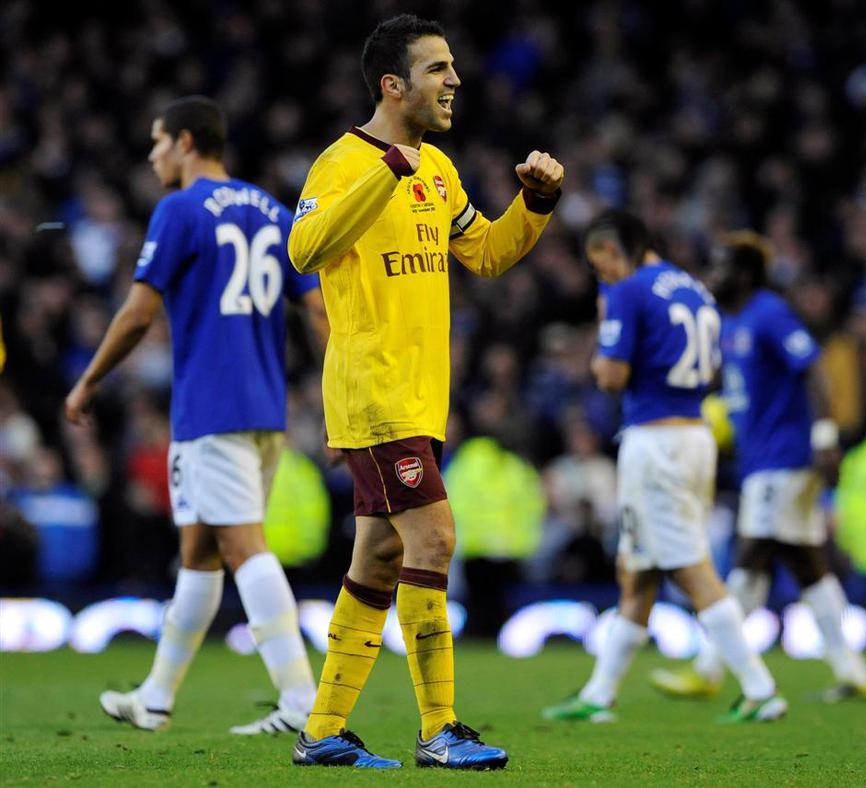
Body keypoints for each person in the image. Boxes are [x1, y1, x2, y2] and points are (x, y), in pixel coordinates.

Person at [286, 13, 563, 770]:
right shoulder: (341, 163)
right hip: (373, 393)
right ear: (392, 85)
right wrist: (385, 173)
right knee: (434, 539)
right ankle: (439, 729)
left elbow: (488, 254)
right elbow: (304, 249)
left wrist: (535, 205)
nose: (454, 80)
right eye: (438, 68)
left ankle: (322, 731)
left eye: (452, 66)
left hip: (419, 398)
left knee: (378, 558)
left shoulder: (438, 169)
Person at [65, 96, 325, 735]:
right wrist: (334, 397)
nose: (152, 155)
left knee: (242, 544)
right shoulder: (271, 210)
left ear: (185, 142)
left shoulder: (179, 209)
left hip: (212, 408)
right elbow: (318, 309)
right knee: (200, 554)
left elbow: (138, 313)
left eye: (158, 142)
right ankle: (155, 698)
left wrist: (89, 381)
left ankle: (303, 700)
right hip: (265, 407)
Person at [542, 211, 786, 724]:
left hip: (656, 440)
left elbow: (610, 377)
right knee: (638, 572)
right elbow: (712, 366)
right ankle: (599, 694)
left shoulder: (629, 291)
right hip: (695, 432)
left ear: (612, 250)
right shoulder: (694, 288)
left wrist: (605, 327)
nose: (601, 275)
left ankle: (760, 688)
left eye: (599, 264)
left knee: (690, 567)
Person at [650, 231, 866, 702]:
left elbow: (813, 369)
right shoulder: (732, 323)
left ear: (745, 274)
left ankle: (709, 668)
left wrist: (825, 437)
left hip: (785, 457)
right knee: (806, 564)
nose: (712, 275)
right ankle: (851, 670)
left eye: (721, 266)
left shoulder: (769, 313)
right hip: (762, 459)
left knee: (751, 556)